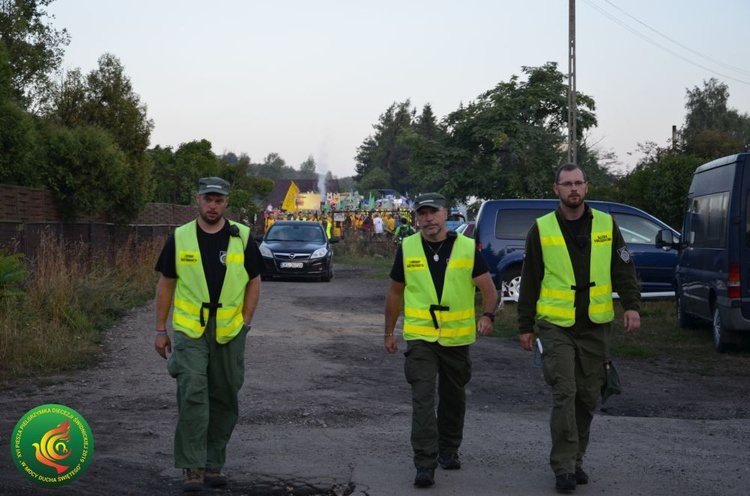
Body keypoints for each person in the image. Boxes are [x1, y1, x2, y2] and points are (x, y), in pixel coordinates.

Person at [517, 163, 641, 493]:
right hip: (556, 325)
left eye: (579, 183)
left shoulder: (606, 224)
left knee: (587, 397)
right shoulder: (541, 229)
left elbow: (624, 265)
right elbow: (529, 280)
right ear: (556, 189)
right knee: (565, 392)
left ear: (586, 188)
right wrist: (525, 325)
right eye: (567, 183)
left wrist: (631, 305)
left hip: (596, 326)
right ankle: (562, 467)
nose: (573, 188)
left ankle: (576, 459)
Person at [154, 176, 263, 493]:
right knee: (193, 395)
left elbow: (254, 280)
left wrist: (245, 321)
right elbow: (166, 283)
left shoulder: (241, 236)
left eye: (218, 200)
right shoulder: (181, 236)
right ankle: (193, 467)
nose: (212, 205)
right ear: (197, 200)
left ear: (226, 202)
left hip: (230, 331)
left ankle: (214, 463)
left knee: (225, 395)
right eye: (207, 199)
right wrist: (161, 329)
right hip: (190, 331)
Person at [384, 192, 498, 488]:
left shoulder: (468, 248)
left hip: (457, 338)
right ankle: (425, 462)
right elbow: (395, 292)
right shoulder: (408, 247)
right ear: (417, 218)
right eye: (422, 214)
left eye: (433, 212)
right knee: (422, 398)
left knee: (453, 397)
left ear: (446, 213)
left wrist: (488, 315)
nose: (428, 219)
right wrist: (388, 332)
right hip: (421, 337)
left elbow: (488, 288)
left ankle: (449, 449)